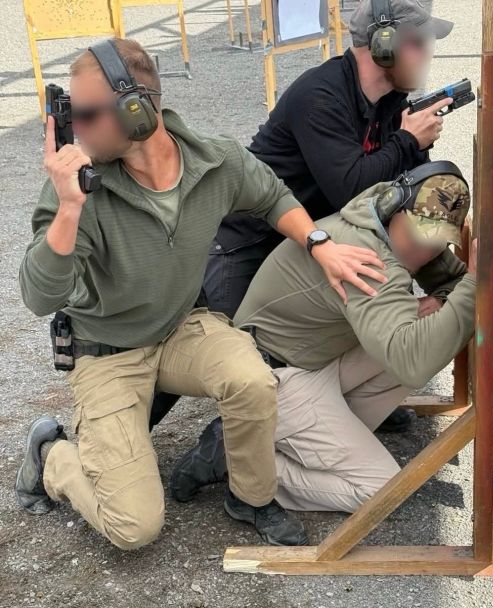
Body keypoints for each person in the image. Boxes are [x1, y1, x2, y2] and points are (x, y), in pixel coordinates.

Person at [15, 39, 387, 549]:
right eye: (70, 113)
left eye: (85, 114)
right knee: (134, 527)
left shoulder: (215, 161)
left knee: (253, 380)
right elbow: (39, 296)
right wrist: (69, 209)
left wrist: (319, 243)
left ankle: (250, 496)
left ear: (136, 110)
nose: (74, 129)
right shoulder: (78, 187)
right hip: (106, 352)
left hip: (178, 329)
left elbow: (272, 196)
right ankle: (51, 458)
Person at [152, 0, 457, 432]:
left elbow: (403, 192)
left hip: (311, 241)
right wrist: (408, 139)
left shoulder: (390, 104)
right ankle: (108, 440)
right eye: (417, 41)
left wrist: (417, 152)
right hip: (246, 243)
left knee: (356, 298)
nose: (426, 52)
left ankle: (341, 401)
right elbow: (350, 187)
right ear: (383, 44)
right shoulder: (320, 94)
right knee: (226, 348)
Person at [170, 162, 477, 511]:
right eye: (418, 235)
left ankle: (290, 437)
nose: (423, 252)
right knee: (381, 491)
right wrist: (471, 286)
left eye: (437, 243)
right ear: (395, 206)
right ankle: (237, 458)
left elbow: (448, 284)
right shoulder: (367, 257)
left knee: (427, 328)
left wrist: (442, 299)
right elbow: (414, 363)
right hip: (271, 378)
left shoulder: (383, 220)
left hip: (312, 358)